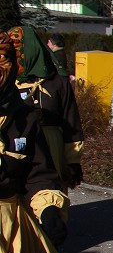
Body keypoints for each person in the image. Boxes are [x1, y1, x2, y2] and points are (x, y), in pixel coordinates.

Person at [0, 31, 67, 253]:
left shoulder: (23, 115)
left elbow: (38, 172)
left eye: (5, 58)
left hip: (11, 226)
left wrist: (48, 208)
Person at [8, 25, 84, 196]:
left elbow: (71, 121)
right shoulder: (6, 83)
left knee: (50, 200)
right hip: (17, 150)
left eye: (19, 51)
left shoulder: (57, 82)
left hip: (51, 149)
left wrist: (72, 161)